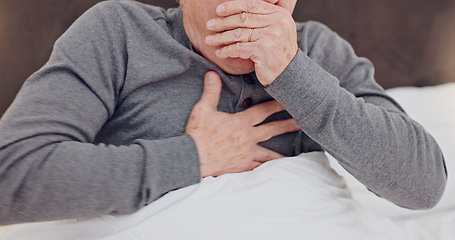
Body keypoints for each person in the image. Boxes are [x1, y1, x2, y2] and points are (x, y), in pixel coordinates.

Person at [0, 0, 447, 226]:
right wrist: (195, 157)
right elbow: (12, 177)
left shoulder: (316, 49)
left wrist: (293, 73)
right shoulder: (120, 33)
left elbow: (424, 185)